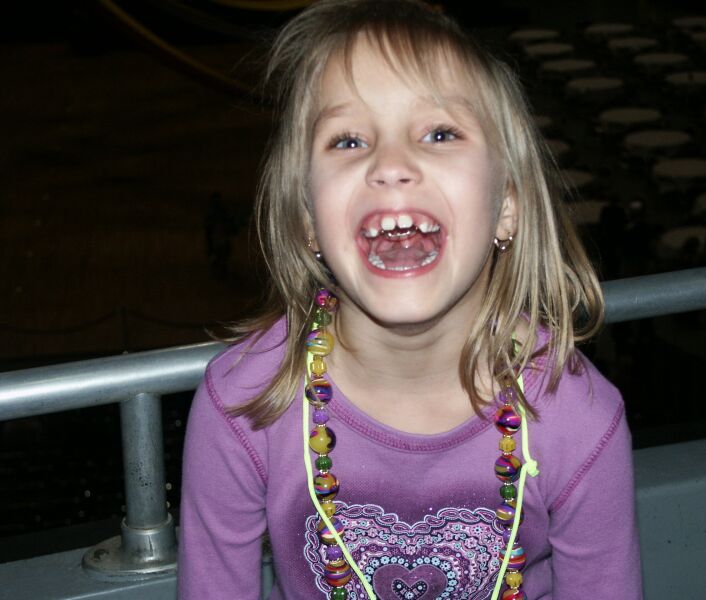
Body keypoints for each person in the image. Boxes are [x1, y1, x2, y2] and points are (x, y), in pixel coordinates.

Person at [178, 1, 641, 598]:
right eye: (348, 140)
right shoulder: (243, 407)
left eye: (440, 133)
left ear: (507, 205)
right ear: (308, 221)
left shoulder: (580, 419)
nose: (391, 165)